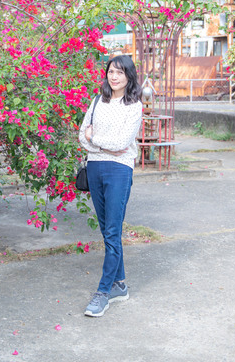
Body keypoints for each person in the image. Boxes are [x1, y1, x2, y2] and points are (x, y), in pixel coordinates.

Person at [78, 54, 142, 317]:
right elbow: (83, 135)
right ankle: (120, 285)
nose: (114, 77)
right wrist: (102, 144)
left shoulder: (134, 106)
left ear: (129, 76)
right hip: (95, 168)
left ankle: (103, 292)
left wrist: (98, 140)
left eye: (120, 72)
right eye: (111, 72)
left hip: (119, 170)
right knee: (107, 232)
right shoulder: (97, 101)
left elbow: (123, 143)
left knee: (113, 231)